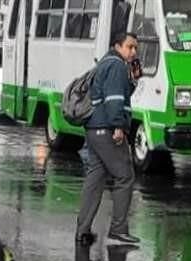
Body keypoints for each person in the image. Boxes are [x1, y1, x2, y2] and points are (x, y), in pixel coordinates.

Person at [75, 32, 141, 247]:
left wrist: (133, 81)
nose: (133, 52)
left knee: (95, 179)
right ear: (117, 46)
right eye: (130, 47)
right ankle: (119, 229)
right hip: (107, 129)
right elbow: (114, 99)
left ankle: (82, 229)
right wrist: (118, 126)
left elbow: (115, 92)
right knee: (125, 176)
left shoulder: (106, 63)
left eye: (135, 48)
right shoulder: (116, 65)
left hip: (94, 129)